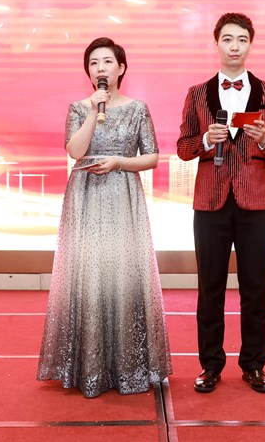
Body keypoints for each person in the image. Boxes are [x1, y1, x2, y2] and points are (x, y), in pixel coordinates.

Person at [37, 37, 172, 399]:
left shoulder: (138, 108)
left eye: (108, 62)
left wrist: (119, 163)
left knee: (123, 274)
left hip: (123, 195)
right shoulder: (78, 108)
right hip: (86, 198)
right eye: (94, 62)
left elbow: (152, 157)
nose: (101, 68)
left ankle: (130, 366)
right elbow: (75, 150)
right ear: (88, 70)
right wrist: (93, 114)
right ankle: (88, 367)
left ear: (121, 68)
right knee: (89, 275)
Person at [177, 12, 265, 394]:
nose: (234, 46)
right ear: (216, 44)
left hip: (256, 203)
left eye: (242, 39)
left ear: (250, 45)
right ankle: (210, 365)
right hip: (210, 203)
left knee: (254, 287)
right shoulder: (197, 93)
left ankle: (254, 365)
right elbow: (183, 148)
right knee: (209, 287)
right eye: (227, 39)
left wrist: (263, 140)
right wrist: (205, 140)